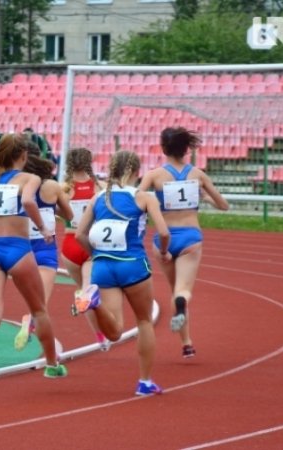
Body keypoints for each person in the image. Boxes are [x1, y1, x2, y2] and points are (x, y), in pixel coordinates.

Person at [0, 133, 68, 379]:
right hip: (17, 250)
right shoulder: (29, 178)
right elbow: (29, 202)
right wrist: (43, 228)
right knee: (39, 311)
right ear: (24, 155)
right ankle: (52, 364)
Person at [74, 150, 170, 396]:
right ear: (137, 172)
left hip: (102, 267)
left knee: (115, 332)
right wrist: (164, 252)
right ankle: (144, 382)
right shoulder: (143, 197)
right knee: (144, 321)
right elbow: (164, 232)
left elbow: (80, 235)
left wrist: (96, 255)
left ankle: (94, 304)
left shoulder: (98, 198)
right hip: (133, 265)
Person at [138, 127, 229, 359]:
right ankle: (183, 313)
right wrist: (205, 197)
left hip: (164, 237)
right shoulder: (198, 175)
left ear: (163, 148)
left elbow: (136, 201)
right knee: (183, 290)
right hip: (190, 237)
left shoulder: (154, 175)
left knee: (173, 289)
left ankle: (187, 343)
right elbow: (224, 205)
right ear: (186, 149)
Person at [13, 140, 73, 351]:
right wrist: (52, 206)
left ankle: (33, 326)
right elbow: (69, 216)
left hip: (20, 250)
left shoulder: (15, 185)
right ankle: (48, 354)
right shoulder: (51, 187)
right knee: (41, 305)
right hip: (45, 249)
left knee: (34, 301)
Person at [59, 147, 111, 351]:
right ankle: (102, 336)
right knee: (90, 290)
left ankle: (99, 337)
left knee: (84, 289)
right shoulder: (101, 187)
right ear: (89, 162)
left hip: (70, 244)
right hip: (91, 242)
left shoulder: (63, 189)